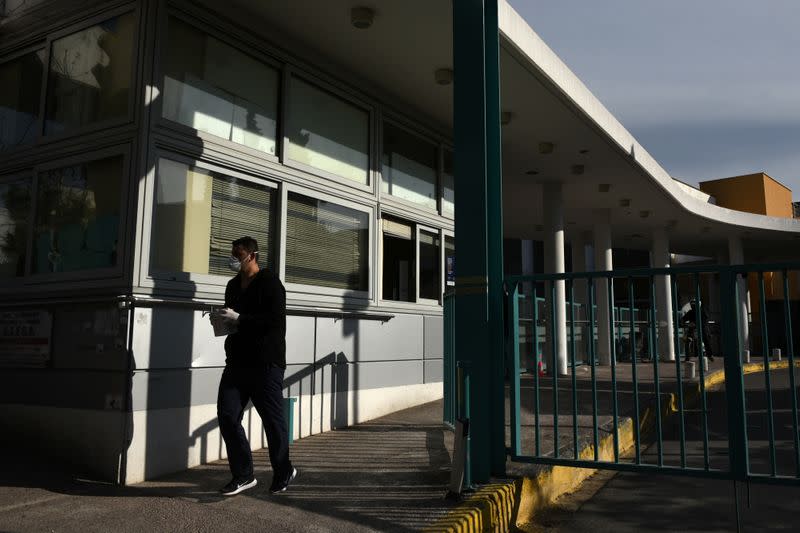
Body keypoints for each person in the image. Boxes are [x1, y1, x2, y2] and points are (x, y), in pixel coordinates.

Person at [210, 236, 296, 496]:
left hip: (266, 363)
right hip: (237, 362)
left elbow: (274, 322)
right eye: (232, 253)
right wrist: (222, 322)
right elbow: (234, 322)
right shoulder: (232, 285)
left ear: (252, 255)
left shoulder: (270, 283)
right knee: (227, 415)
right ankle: (244, 474)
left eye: (238, 254)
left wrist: (241, 319)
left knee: (272, 420)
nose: (233, 259)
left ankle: (283, 471)